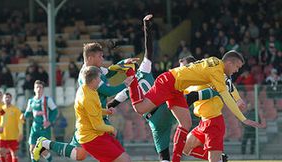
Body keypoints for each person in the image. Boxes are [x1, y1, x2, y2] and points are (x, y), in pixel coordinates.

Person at [111, 49, 262, 162]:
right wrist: (242, 118)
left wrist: (237, 98)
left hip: (177, 89)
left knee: (186, 123)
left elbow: (227, 84)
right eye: (237, 67)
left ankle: (175, 160)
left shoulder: (216, 63)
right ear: (229, 63)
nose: (237, 70)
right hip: (168, 81)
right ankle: (131, 78)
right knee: (140, 109)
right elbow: (225, 94)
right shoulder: (216, 71)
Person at [107, 15, 220, 162]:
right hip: (163, 108)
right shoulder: (144, 69)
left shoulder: (128, 84)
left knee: (163, 155)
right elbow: (149, 49)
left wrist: (107, 109)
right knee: (185, 103)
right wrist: (147, 26)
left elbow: (117, 100)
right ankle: (214, 91)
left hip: (153, 120)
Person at [33, 42, 135, 161]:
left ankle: (45, 143)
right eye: (100, 56)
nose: (103, 58)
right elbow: (107, 91)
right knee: (120, 158)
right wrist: (126, 84)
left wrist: (123, 63)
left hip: (92, 118)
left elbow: (110, 72)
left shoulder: (95, 71)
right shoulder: (88, 77)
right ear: (90, 58)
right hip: (96, 123)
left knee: (79, 155)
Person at [23, 80, 58, 162]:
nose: (39, 89)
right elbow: (28, 113)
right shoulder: (31, 101)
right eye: (37, 87)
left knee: (41, 150)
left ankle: (50, 160)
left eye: (40, 87)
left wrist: (49, 121)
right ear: (34, 89)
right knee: (32, 149)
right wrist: (23, 116)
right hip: (34, 128)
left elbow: (55, 111)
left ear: (43, 89)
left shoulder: (47, 99)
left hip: (44, 128)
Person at [0, 93, 23, 162]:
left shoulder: (16, 110)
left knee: (14, 154)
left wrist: (20, 132)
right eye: (5, 97)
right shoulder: (1, 109)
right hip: (3, 136)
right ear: (3, 99)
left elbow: (20, 122)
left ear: (11, 98)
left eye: (8, 97)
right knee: (0, 151)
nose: (7, 99)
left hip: (13, 136)